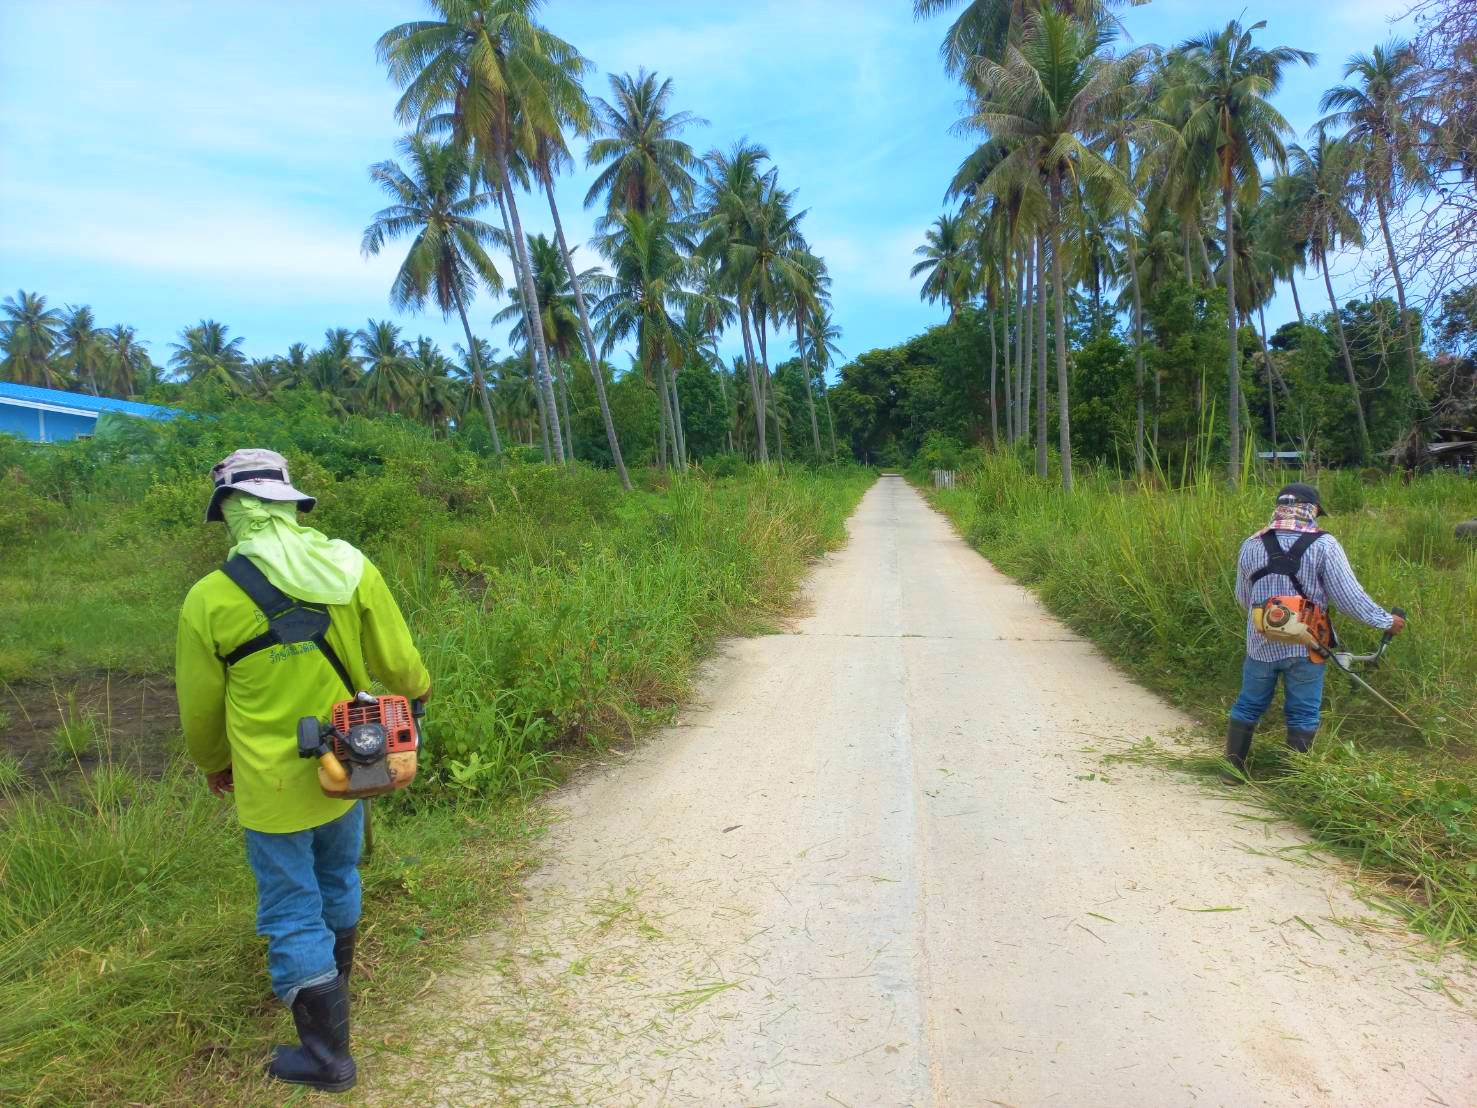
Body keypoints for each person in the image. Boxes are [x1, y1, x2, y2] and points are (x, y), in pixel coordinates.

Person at [176, 449, 431, 1091]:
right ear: (290, 503)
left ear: (232, 514)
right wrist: (415, 704)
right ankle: (331, 988)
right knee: (338, 872)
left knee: (291, 906)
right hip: (350, 765)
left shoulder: (209, 599)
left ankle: (326, 1056)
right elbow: (400, 665)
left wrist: (214, 765)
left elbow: (200, 708)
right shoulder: (348, 567)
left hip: (268, 783)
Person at [1224, 482, 1404, 783]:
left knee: (1249, 703)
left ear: (1279, 507)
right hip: (1307, 647)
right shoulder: (1323, 545)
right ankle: (1293, 782)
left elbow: (1244, 598)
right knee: (1303, 712)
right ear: (1313, 510)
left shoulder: (1251, 544)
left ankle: (1232, 771)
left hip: (1260, 644)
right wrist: (1387, 621)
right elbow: (1349, 598)